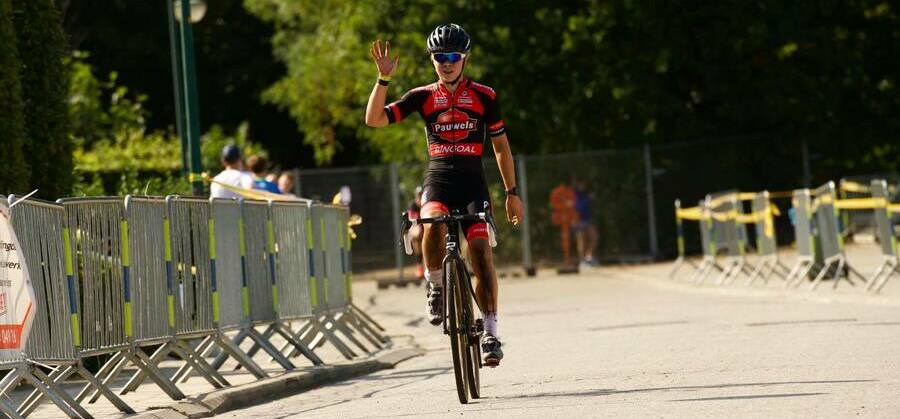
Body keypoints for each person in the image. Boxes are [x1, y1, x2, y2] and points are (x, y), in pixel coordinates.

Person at [364, 24, 523, 367]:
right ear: (433, 60)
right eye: (439, 57)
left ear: (464, 58)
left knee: (480, 253)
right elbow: (374, 120)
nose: (446, 63)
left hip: (472, 184)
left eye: (452, 57)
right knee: (432, 224)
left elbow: (500, 148)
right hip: (438, 179)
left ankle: (492, 332)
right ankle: (436, 286)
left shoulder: (485, 96)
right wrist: (383, 79)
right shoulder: (423, 96)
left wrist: (511, 192)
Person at [549, 180, 577, 267]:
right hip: (561, 218)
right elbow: (554, 205)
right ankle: (565, 259)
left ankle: (568, 259)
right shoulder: (557, 192)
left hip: (568, 219)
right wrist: (566, 205)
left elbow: (573, 204)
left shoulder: (570, 192)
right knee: (564, 237)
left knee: (567, 238)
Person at [573, 181, 598, 267]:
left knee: (594, 237)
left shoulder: (585, 194)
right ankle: (582, 261)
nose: (582, 186)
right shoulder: (575, 195)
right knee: (581, 240)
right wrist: (589, 199)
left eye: (583, 184)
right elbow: (578, 207)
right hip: (578, 220)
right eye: (580, 184)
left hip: (587, 220)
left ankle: (589, 257)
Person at [407, 186, 425, 279]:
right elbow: (413, 225)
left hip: (426, 229)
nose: (420, 198)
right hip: (418, 230)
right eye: (419, 195)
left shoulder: (427, 205)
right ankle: (419, 266)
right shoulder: (412, 206)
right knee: (416, 237)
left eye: (422, 195)